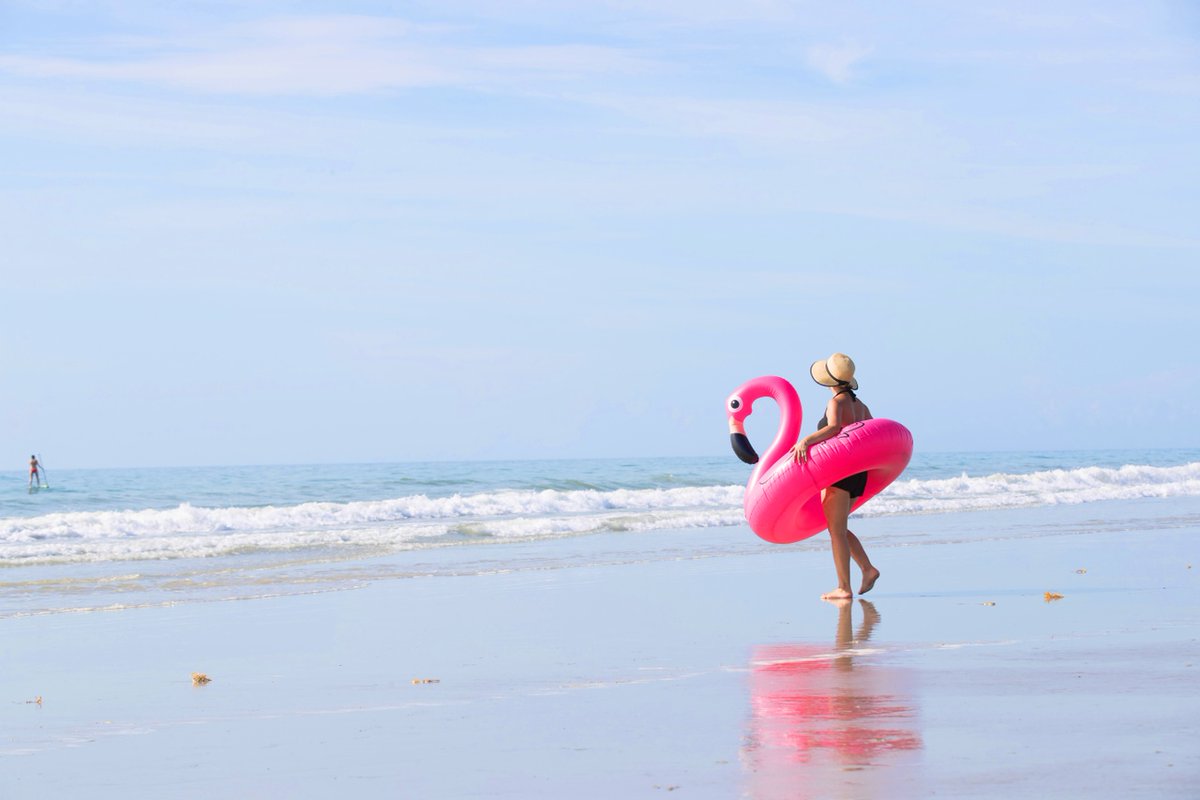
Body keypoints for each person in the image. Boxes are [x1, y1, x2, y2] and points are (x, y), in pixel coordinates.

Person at [789, 353, 881, 601]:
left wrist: (806, 441)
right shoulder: (861, 406)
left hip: (838, 474)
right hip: (857, 473)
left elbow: (833, 428)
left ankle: (844, 587)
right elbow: (871, 432)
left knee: (836, 531)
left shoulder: (836, 402)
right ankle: (868, 569)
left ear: (830, 381)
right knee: (838, 528)